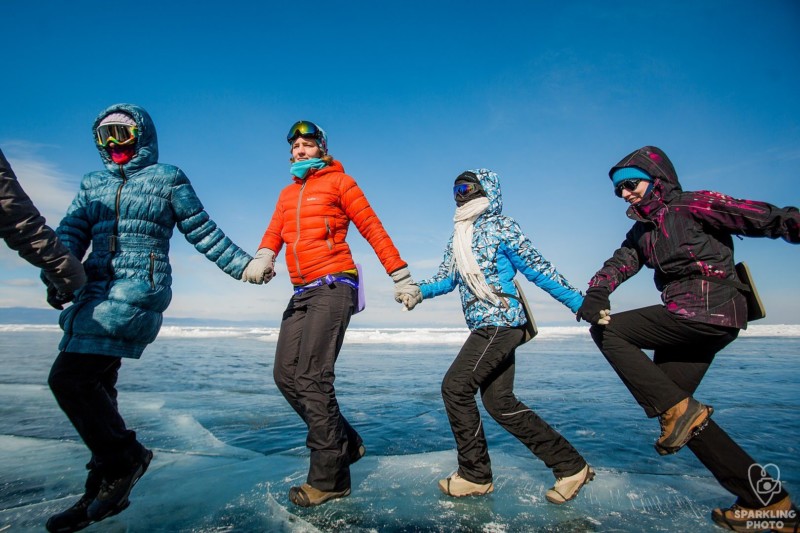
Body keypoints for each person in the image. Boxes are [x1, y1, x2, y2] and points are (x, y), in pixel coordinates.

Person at [45, 103, 263, 533]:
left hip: (136, 289)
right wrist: (56, 274)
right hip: (92, 291)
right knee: (99, 389)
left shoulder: (167, 178)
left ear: (141, 136)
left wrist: (243, 266)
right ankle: (102, 492)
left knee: (69, 379)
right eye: (105, 136)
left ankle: (126, 458)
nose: (114, 145)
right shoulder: (92, 184)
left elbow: (202, 228)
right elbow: (69, 233)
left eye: (122, 135)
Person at [576, 146, 799, 532]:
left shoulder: (692, 204)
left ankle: (682, 413)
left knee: (609, 331)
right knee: (678, 415)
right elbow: (618, 263)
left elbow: (763, 217)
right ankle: (768, 501)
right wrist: (597, 292)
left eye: (630, 184)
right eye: (618, 190)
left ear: (656, 179)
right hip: (694, 319)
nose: (625, 193)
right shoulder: (642, 231)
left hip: (707, 309)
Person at [242, 120, 420, 507]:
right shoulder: (287, 194)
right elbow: (274, 232)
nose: (300, 151)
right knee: (285, 375)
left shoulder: (342, 182)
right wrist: (263, 256)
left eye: (308, 144)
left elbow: (373, 228)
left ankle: (330, 479)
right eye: (296, 146)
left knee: (311, 377)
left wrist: (400, 275)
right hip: (301, 290)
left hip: (335, 283)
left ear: (322, 148)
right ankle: (346, 442)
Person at [403, 169, 595, 503]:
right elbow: (447, 279)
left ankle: (475, 475)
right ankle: (571, 466)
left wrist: (581, 304)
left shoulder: (502, 226)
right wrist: (419, 291)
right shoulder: (458, 236)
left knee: (456, 387)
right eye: (455, 190)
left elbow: (538, 268)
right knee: (499, 403)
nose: (460, 195)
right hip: (485, 326)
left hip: (501, 321)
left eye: (466, 188)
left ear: (485, 190)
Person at [0, 147, 86, 302]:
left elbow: (15, 215)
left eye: (121, 132)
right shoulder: (92, 186)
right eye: (105, 135)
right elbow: (15, 216)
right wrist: (66, 274)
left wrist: (65, 274)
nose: (112, 142)